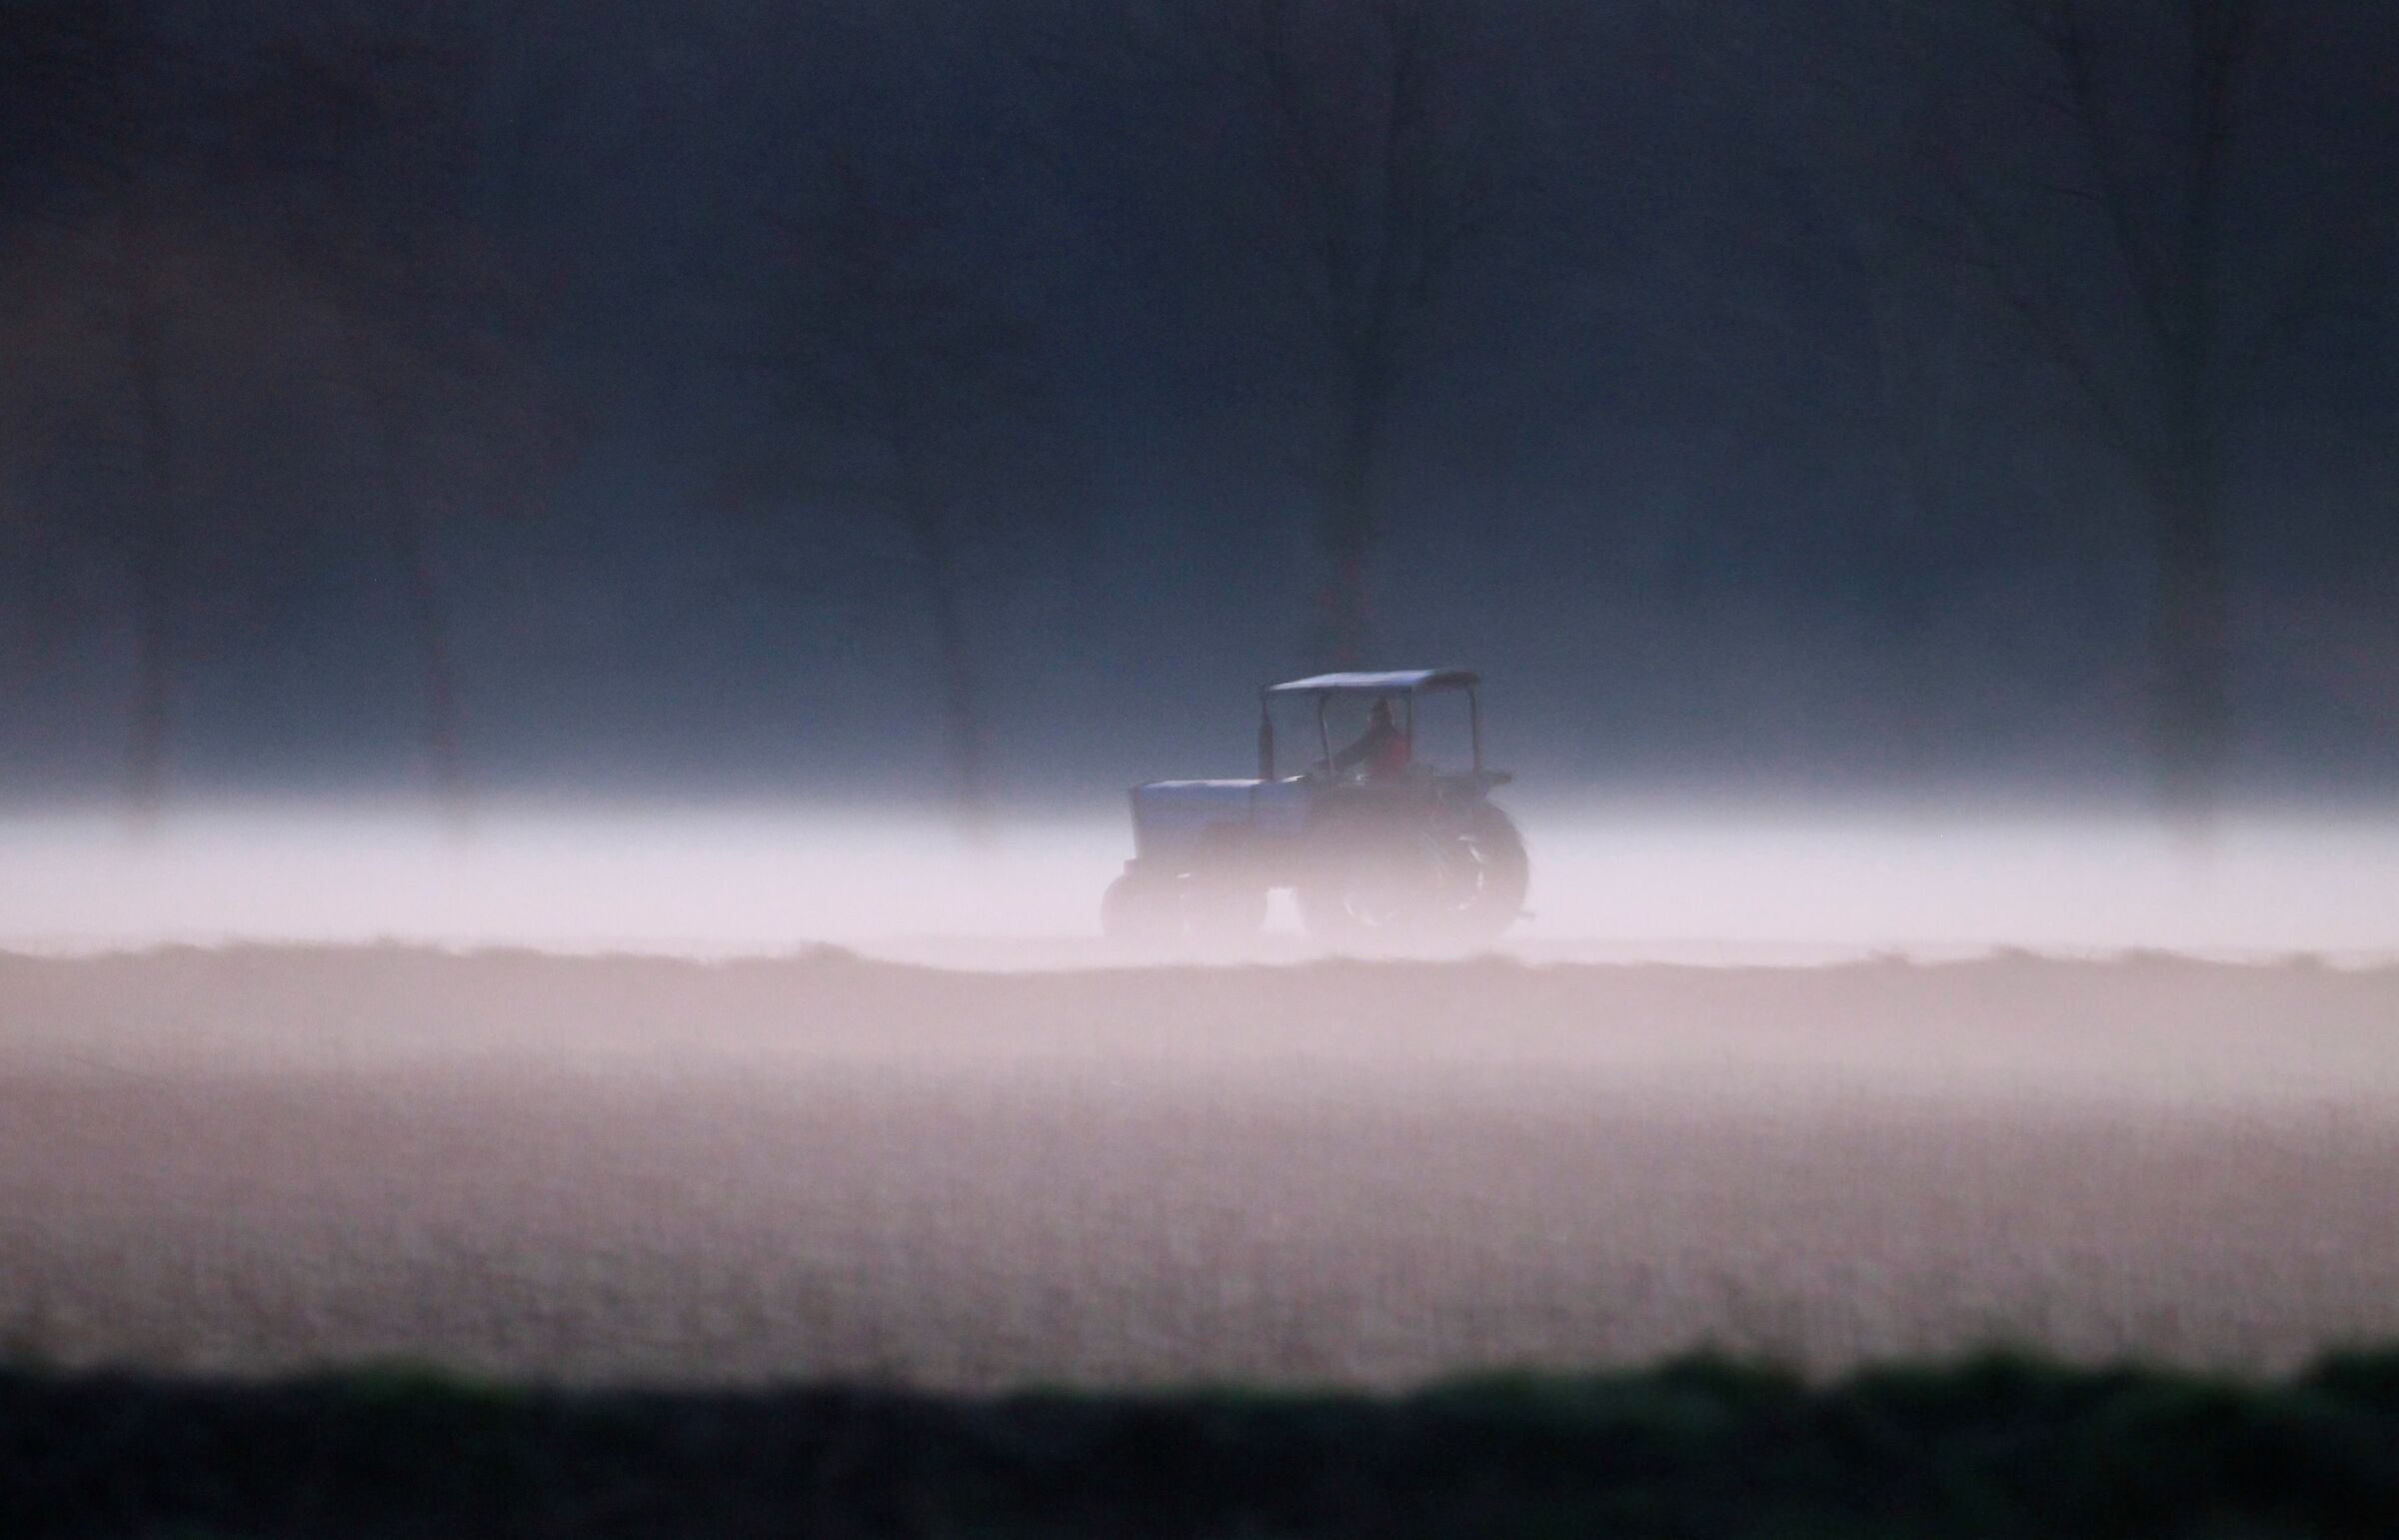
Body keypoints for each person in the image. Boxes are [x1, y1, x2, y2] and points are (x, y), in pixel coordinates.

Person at [1330, 698, 1410, 780]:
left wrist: (1329, 764)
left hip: (1383, 786)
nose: (1370, 723)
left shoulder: (1376, 737)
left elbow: (1353, 754)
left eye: (1371, 718)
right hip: (1394, 784)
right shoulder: (1399, 737)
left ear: (1375, 719)